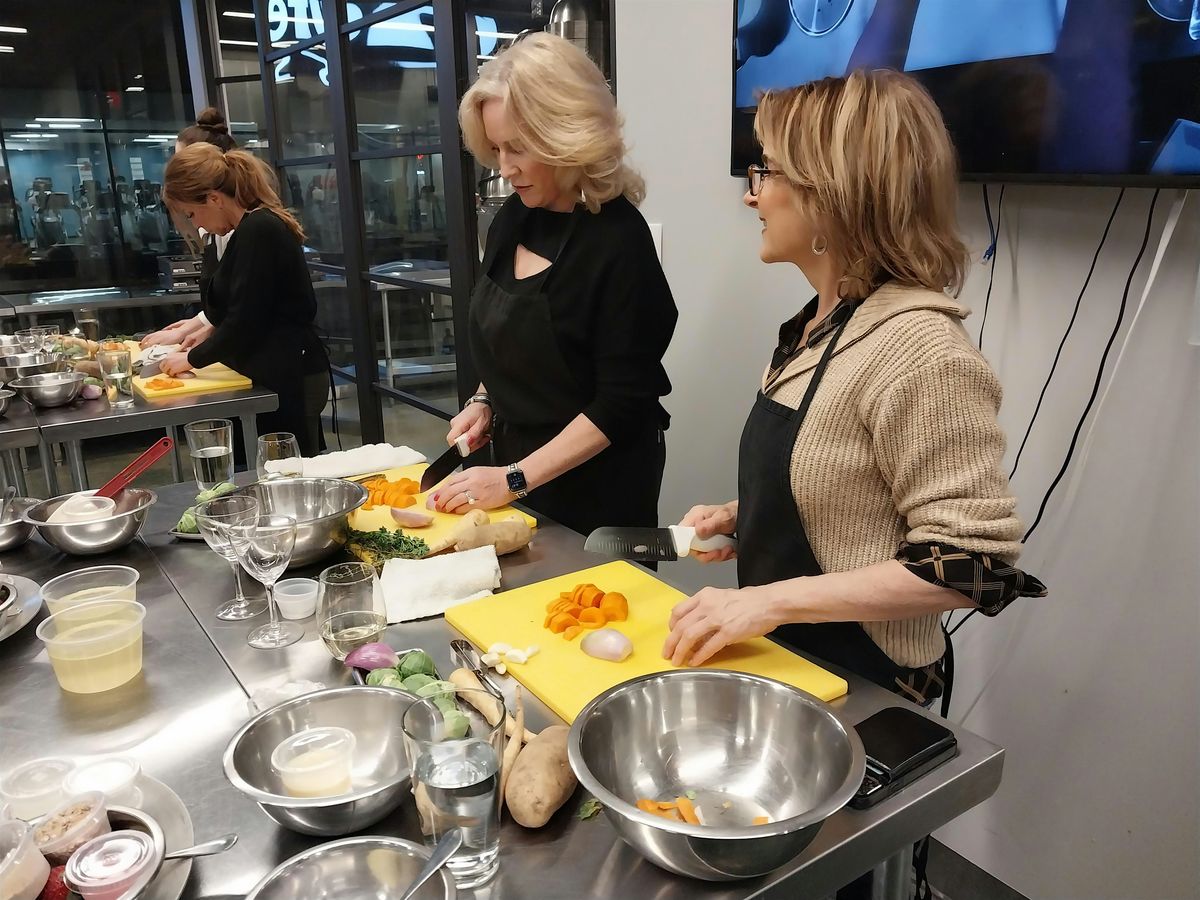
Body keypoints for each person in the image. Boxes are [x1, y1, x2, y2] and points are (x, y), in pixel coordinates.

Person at [663, 70, 1046, 699]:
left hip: (867, 682)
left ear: (830, 197)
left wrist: (767, 602)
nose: (750, 197)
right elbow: (850, 493)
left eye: (767, 173)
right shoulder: (819, 327)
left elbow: (974, 567)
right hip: (789, 661)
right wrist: (744, 520)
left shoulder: (919, 350)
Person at [431, 33, 678, 537]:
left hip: (601, 492)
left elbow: (622, 403)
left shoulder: (618, 242)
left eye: (519, 147)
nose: (505, 168)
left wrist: (515, 479)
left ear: (567, 134)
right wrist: (484, 400)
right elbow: (508, 346)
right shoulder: (513, 222)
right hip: (511, 473)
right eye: (497, 148)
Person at [158, 143, 329, 455]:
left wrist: (192, 358)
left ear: (213, 198)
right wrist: (206, 332)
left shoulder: (258, 229)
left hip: (291, 372)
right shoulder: (245, 230)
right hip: (279, 369)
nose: (196, 223)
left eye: (193, 213)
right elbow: (247, 305)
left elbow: (247, 319)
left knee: (289, 473)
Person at [142, 107, 238, 352]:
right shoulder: (216, 229)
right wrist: (197, 326)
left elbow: (246, 308)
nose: (194, 223)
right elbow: (226, 307)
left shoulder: (250, 229)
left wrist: (193, 351)